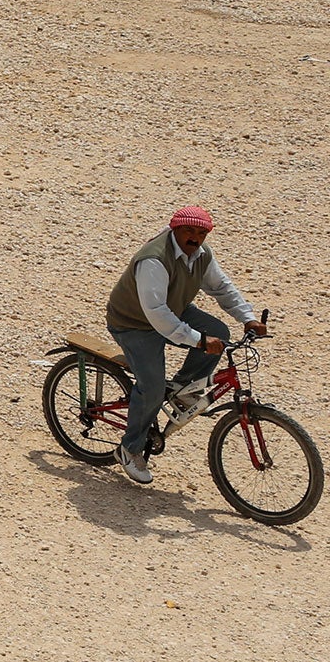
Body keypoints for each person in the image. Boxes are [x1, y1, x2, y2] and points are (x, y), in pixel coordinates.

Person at [106, 207, 266, 485]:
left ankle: (181, 389)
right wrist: (199, 340)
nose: (195, 238)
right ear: (174, 230)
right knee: (152, 386)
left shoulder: (201, 256)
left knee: (218, 331)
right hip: (134, 323)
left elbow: (222, 288)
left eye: (201, 233)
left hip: (173, 310)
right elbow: (156, 312)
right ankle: (130, 448)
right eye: (189, 231)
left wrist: (248, 318)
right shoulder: (154, 260)